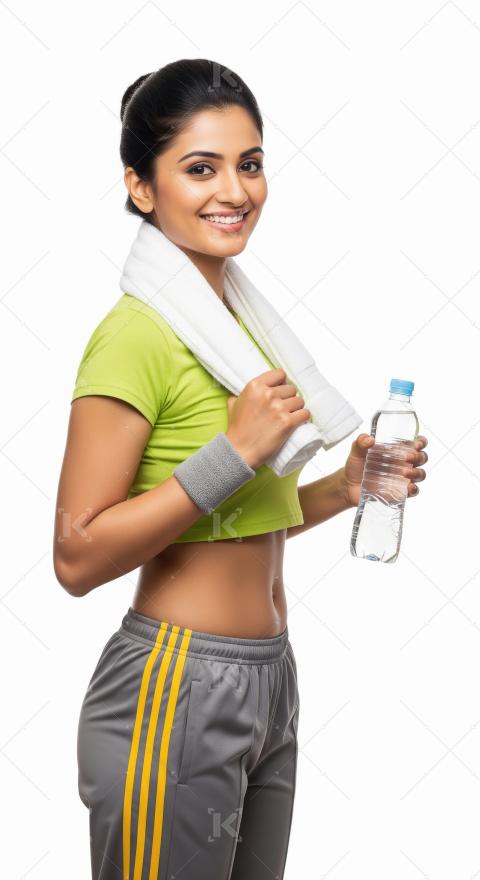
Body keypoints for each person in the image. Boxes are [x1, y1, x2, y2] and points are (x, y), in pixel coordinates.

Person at [53, 58, 428, 880]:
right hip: (173, 686)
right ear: (141, 188)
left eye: (250, 163)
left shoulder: (238, 324)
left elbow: (240, 513)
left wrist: (346, 486)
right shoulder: (139, 333)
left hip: (269, 682)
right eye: (200, 168)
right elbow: (77, 558)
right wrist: (234, 451)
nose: (236, 190)